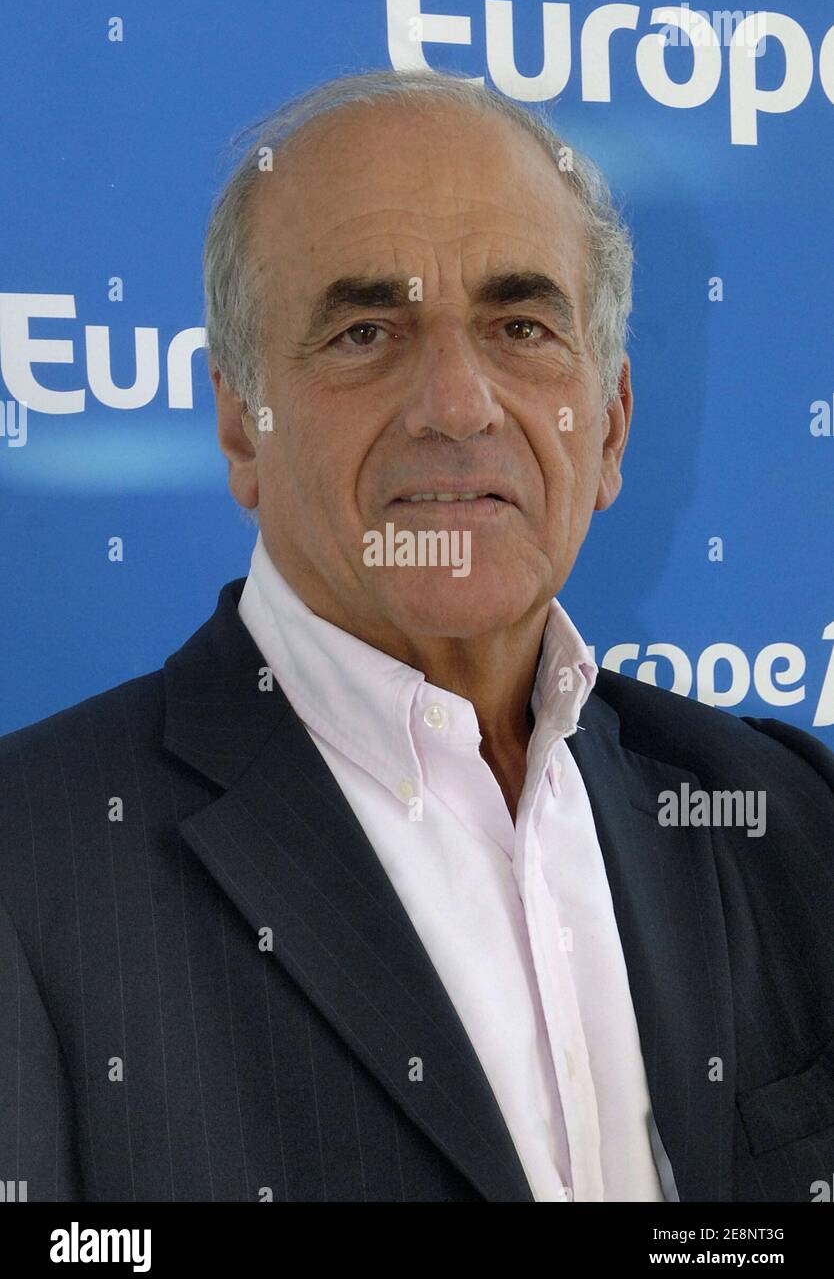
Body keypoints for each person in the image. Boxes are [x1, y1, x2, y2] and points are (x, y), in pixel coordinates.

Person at [2, 68, 833, 1203]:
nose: (457, 402)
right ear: (242, 425)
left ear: (612, 428)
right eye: (364, 332)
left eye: (522, 326)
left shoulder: (786, 819)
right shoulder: (31, 868)